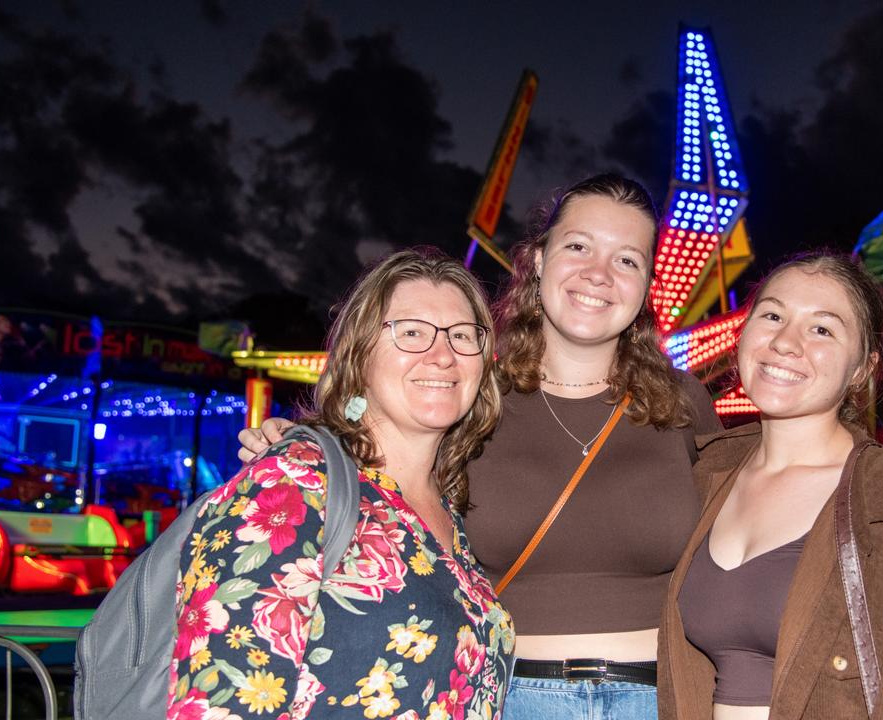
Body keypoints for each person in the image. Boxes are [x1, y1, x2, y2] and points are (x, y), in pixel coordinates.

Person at [240, 174, 723, 719]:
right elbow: (380, 450)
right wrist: (312, 441)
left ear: (646, 284)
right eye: (578, 246)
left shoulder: (685, 404)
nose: (599, 274)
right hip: (509, 699)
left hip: (663, 698)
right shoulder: (470, 396)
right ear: (538, 260)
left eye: (627, 259)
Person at [169, 249, 514, 720]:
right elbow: (217, 702)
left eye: (461, 335)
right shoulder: (294, 484)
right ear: (360, 354)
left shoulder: (449, 505)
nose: (442, 355)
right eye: (411, 332)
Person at [658, 250, 883, 720]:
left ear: (861, 369)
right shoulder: (702, 476)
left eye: (822, 329)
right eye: (772, 315)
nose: (785, 342)